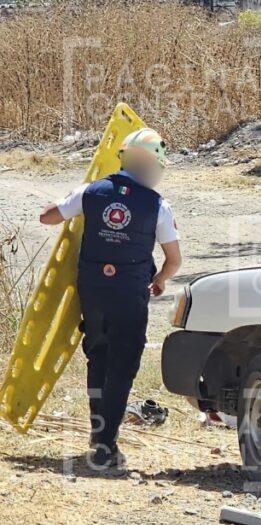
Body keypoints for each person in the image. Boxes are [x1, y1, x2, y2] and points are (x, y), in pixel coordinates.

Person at [39, 128, 181, 469]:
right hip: (130, 295)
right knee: (122, 365)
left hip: (94, 291)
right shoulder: (157, 205)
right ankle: (105, 445)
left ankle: (97, 433)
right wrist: (159, 279)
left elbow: (47, 216)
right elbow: (174, 260)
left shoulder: (92, 190)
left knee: (98, 358)